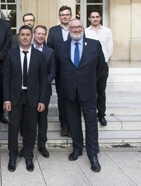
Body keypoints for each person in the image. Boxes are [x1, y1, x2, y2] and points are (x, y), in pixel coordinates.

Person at [57, 19, 105, 172]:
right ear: (69, 29)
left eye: (79, 27)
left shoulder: (94, 45)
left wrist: (90, 80)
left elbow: (101, 66)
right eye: (73, 27)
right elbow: (59, 69)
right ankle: (77, 148)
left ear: (83, 28)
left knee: (91, 124)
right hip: (69, 92)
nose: (76, 29)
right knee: (73, 122)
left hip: (88, 91)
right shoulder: (61, 46)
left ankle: (93, 155)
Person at [3, 25, 47, 172]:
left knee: (30, 128)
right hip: (15, 97)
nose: (25, 37)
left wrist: (42, 100)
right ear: (18, 37)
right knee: (13, 127)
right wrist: (6, 99)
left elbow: (43, 80)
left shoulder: (40, 56)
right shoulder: (11, 54)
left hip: (33, 98)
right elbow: (6, 79)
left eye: (28, 34)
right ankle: (13, 156)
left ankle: (28, 156)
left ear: (32, 36)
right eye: (22, 34)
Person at [47, 5, 72, 137]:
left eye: (67, 14)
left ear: (71, 16)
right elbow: (50, 50)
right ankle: (64, 125)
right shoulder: (53, 31)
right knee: (62, 99)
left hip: (74, 71)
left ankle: (72, 125)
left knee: (73, 99)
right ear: (59, 16)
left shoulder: (76, 29)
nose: (65, 16)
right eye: (62, 14)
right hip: (59, 71)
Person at [85, 8, 113, 126]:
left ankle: (101, 114)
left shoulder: (107, 31)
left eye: (97, 17)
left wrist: (103, 61)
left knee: (101, 91)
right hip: (88, 67)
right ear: (89, 19)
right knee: (89, 90)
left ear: (100, 18)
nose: (95, 19)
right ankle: (90, 112)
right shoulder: (85, 32)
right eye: (93, 17)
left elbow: (110, 48)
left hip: (102, 66)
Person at [33, 25, 56, 158]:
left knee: (42, 119)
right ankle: (27, 144)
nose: (41, 36)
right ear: (34, 34)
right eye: (38, 33)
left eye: (43, 34)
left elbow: (53, 72)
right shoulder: (27, 49)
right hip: (29, 91)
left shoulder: (50, 52)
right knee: (29, 119)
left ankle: (42, 144)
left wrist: (42, 84)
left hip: (44, 91)